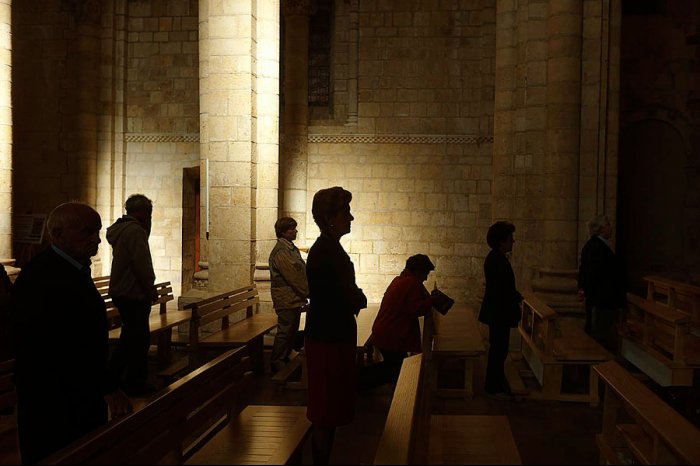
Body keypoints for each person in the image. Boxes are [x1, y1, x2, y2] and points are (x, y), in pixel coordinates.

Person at [11, 202, 132, 464]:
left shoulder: (71, 269)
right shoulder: (43, 276)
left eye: (97, 231)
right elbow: (59, 344)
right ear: (57, 235)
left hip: (80, 396)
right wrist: (107, 385)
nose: (96, 239)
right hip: (54, 403)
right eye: (86, 232)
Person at [305, 186, 367, 465]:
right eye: (346, 212)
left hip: (333, 336)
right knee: (325, 413)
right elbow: (344, 295)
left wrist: (355, 295)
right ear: (331, 217)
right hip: (327, 340)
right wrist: (357, 296)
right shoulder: (324, 251)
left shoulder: (330, 248)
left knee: (330, 411)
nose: (351, 218)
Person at [359, 254, 443, 391]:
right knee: (395, 370)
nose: (426, 278)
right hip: (391, 335)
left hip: (386, 332)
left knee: (395, 367)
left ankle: (360, 383)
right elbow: (415, 309)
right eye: (425, 273)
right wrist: (432, 300)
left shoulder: (400, 280)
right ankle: (357, 382)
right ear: (417, 271)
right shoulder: (411, 283)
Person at [107, 194, 158, 396]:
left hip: (124, 291)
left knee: (131, 337)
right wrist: (150, 286)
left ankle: (118, 379)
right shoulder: (135, 231)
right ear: (143, 212)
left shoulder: (122, 229)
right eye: (148, 214)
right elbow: (141, 263)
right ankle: (132, 382)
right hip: (133, 292)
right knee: (138, 340)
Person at [478, 220, 522, 400]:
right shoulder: (496, 260)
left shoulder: (497, 258)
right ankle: (493, 386)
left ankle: (495, 383)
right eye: (510, 238)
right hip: (499, 312)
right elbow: (501, 289)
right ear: (502, 240)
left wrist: (516, 296)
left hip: (499, 311)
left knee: (499, 349)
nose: (513, 241)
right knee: (498, 349)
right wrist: (515, 297)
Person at [577, 215, 625, 353]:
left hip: (599, 300)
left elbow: (584, 271)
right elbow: (594, 274)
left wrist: (582, 288)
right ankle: (599, 367)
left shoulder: (593, 245)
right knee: (600, 336)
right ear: (602, 229)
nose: (611, 228)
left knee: (598, 332)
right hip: (603, 301)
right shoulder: (597, 248)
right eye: (609, 225)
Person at [268, 216, 309, 374]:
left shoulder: (290, 248)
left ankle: (285, 357)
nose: (295, 231)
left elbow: (300, 271)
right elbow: (293, 276)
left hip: (293, 298)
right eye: (292, 229)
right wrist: (308, 292)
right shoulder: (281, 251)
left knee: (291, 330)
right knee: (285, 331)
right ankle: (277, 360)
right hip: (286, 298)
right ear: (284, 232)